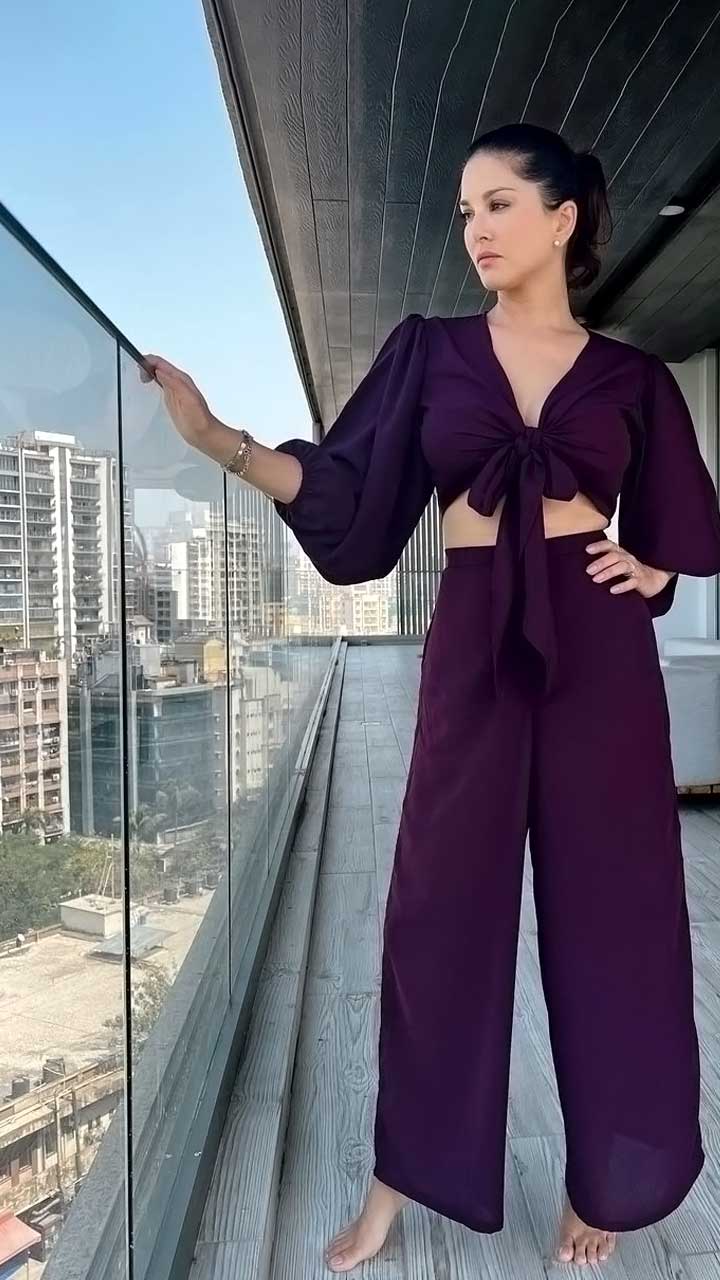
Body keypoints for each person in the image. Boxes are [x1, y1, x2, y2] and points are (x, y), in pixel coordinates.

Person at [141, 122, 720, 1270]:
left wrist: (653, 569)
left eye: (499, 204)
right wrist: (217, 439)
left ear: (561, 219)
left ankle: (610, 1172)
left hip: (599, 650)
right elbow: (351, 492)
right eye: (465, 211)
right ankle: (401, 1178)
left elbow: (681, 517)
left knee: (620, 911)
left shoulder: (635, 378)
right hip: (472, 639)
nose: (476, 230)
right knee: (437, 909)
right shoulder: (431, 350)